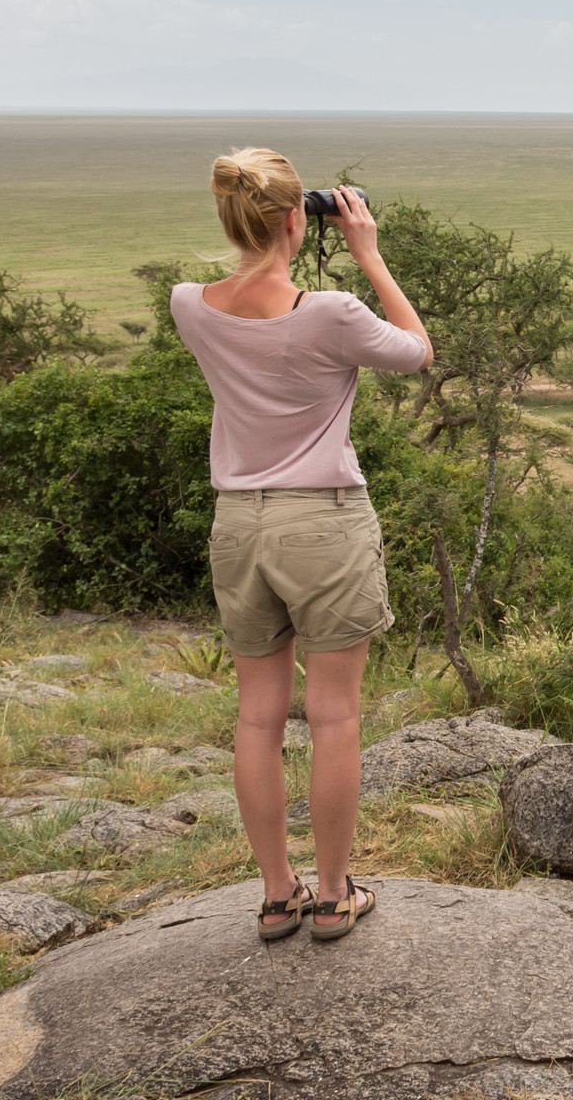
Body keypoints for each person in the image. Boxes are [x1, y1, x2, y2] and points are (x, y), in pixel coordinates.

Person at [170, 149, 432, 942]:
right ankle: (330, 895)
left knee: (257, 717)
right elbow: (416, 351)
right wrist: (368, 252)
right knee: (333, 715)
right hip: (321, 518)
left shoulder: (189, 303)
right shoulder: (331, 311)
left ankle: (276, 895)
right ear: (298, 219)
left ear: (230, 218)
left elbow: (243, 307)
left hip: (237, 522)